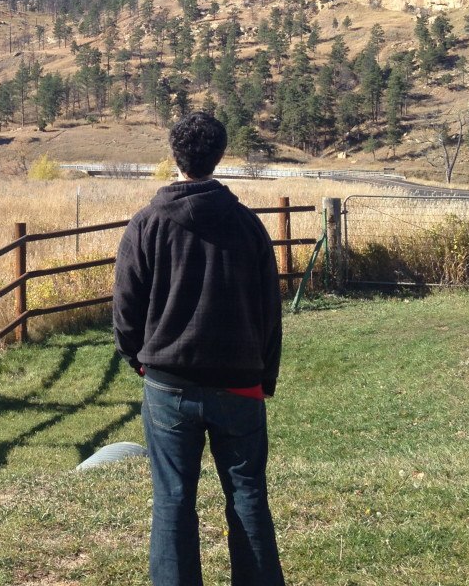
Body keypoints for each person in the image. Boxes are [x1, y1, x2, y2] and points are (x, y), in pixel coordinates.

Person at [113, 112, 285, 586]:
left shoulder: (146, 224)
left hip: (168, 385)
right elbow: (271, 310)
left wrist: (141, 362)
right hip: (240, 386)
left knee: (173, 500)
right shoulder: (248, 226)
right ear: (219, 156)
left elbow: (125, 310)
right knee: (247, 496)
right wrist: (264, 375)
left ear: (176, 156)